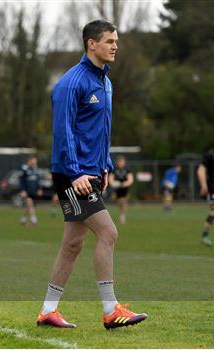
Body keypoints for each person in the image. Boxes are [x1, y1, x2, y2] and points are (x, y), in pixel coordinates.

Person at [37, 20, 147, 330]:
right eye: (109, 40)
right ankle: (111, 309)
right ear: (91, 44)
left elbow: (100, 131)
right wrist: (74, 174)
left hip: (90, 172)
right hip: (72, 175)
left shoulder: (105, 82)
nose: (115, 46)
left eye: (116, 41)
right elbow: (63, 132)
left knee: (72, 244)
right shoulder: (71, 83)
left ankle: (48, 310)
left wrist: (105, 164)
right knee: (109, 233)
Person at [108, 156, 134, 224]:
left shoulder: (127, 170)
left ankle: (123, 215)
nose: (120, 163)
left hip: (125, 188)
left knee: (123, 200)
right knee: (119, 201)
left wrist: (125, 184)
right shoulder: (114, 170)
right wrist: (114, 184)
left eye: (122, 162)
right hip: (117, 188)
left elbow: (130, 179)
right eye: (119, 162)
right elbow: (110, 179)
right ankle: (121, 212)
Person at [19, 156, 42, 225]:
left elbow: (38, 180)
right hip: (27, 190)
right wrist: (22, 190)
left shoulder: (36, 169)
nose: (35, 162)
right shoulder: (24, 169)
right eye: (34, 160)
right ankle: (33, 218)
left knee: (30, 206)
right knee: (30, 203)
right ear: (30, 161)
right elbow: (21, 181)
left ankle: (23, 218)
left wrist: (39, 189)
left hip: (34, 190)